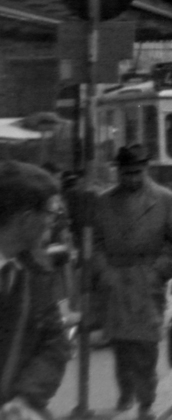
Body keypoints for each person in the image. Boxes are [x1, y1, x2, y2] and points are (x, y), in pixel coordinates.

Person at [91, 145, 172, 420]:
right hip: (115, 280)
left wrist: (159, 271)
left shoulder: (165, 199)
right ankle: (125, 389)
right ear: (118, 172)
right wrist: (104, 272)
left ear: (146, 170)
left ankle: (146, 401)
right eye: (126, 173)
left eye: (137, 173)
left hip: (148, 280)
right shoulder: (103, 201)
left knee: (147, 344)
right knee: (121, 344)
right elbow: (94, 244)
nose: (131, 179)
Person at [0, 161, 70, 419]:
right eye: (51, 212)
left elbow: (55, 342)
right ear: (26, 219)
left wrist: (26, 399)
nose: (54, 221)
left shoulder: (37, 272)